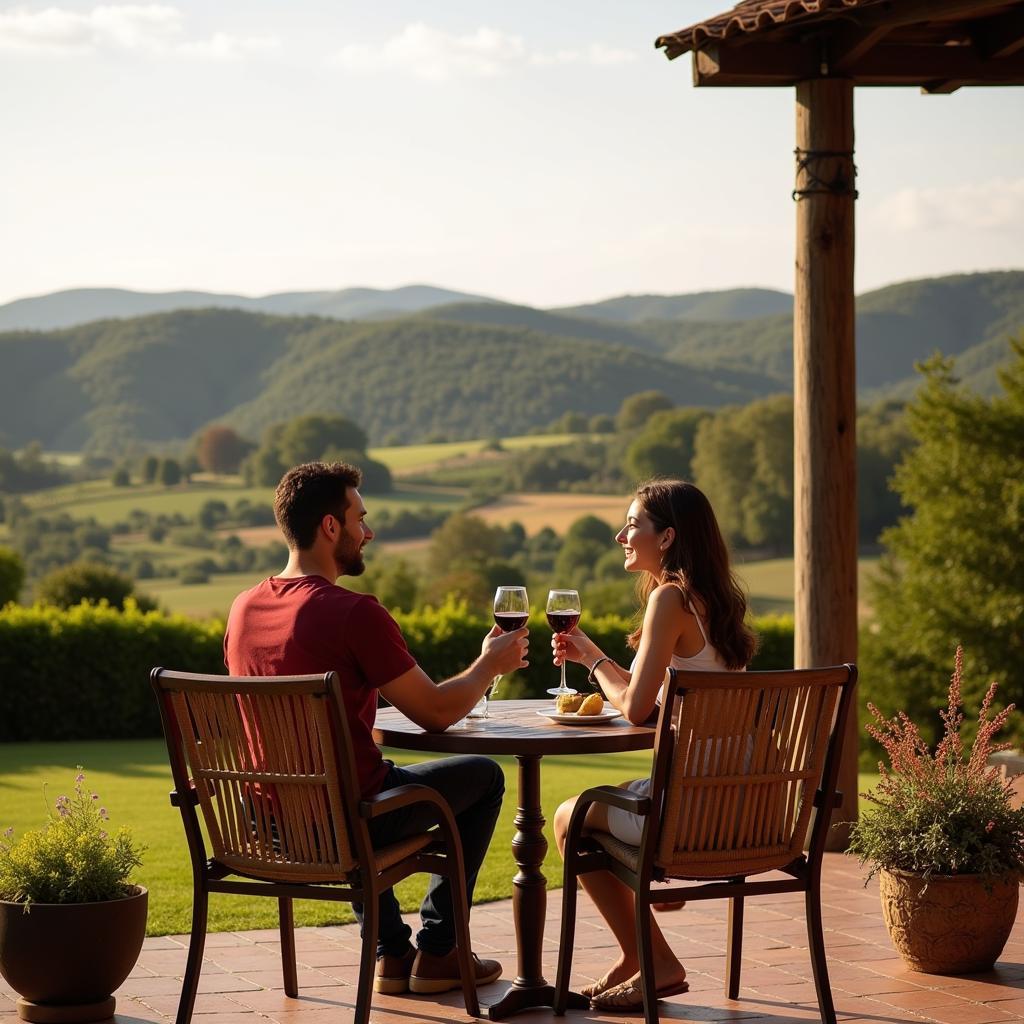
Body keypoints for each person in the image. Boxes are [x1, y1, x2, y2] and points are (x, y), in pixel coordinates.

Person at [224, 461, 529, 997]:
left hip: (270, 824)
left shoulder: (243, 609)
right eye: (361, 519)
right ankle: (439, 952)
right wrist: (488, 666)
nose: (370, 532)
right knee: (482, 777)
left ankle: (391, 953)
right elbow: (434, 712)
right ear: (330, 527)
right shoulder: (352, 613)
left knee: (368, 781)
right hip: (347, 821)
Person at [550, 479, 757, 1012]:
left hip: (691, 812)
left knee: (570, 819)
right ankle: (637, 956)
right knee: (602, 801)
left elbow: (637, 708)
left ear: (666, 538)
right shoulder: (716, 603)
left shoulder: (671, 598)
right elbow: (659, 694)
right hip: (742, 806)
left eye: (633, 524)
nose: (622, 534)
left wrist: (592, 662)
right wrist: (595, 653)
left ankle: (656, 959)